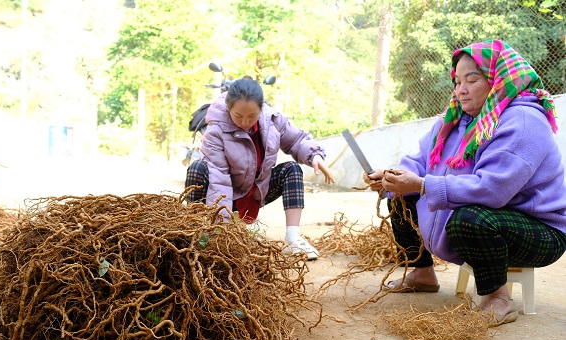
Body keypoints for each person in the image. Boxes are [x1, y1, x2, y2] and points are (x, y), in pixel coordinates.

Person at [364, 40, 566, 324]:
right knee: (399, 197)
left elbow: (492, 190)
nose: (461, 89)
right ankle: (422, 273)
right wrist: (391, 177)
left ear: (499, 81)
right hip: (493, 215)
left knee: (470, 218)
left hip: (539, 230)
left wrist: (421, 185)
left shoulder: (522, 121)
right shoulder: (455, 120)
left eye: (472, 79)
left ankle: (497, 298)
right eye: (457, 81)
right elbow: (420, 162)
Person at [185, 77, 335, 260]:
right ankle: (199, 234)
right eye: (238, 116)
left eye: (252, 116)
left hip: (256, 192)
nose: (245, 122)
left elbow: (296, 140)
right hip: (226, 198)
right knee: (197, 168)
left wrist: (315, 155)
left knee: (292, 169)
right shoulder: (216, 130)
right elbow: (219, 180)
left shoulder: (272, 119)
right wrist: (221, 233)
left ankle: (294, 238)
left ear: (261, 109)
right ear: (228, 108)